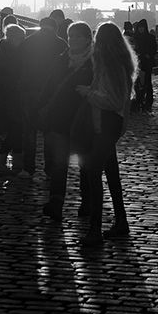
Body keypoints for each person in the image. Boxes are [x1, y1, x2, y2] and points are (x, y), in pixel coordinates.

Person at [76, 22, 137, 247]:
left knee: (93, 171)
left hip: (106, 122)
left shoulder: (109, 65)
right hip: (114, 123)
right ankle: (121, 221)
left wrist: (88, 93)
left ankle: (95, 229)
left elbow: (110, 100)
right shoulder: (122, 63)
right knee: (111, 174)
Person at [38, 22, 94, 220]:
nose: (73, 40)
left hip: (84, 119)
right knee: (59, 163)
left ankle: (87, 203)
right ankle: (56, 203)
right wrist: (41, 106)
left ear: (88, 38)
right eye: (71, 36)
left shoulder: (95, 62)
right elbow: (49, 86)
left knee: (85, 164)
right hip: (61, 119)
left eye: (78, 36)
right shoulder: (62, 59)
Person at [18, 17, 68, 177]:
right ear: (56, 27)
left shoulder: (27, 42)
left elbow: (18, 67)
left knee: (29, 131)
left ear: (40, 26)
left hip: (29, 90)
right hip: (52, 93)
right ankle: (50, 168)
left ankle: (28, 168)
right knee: (50, 131)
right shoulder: (61, 45)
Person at [0, 23, 27, 173]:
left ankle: (14, 160)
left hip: (7, 94)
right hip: (13, 95)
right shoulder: (16, 53)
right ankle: (3, 158)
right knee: (17, 127)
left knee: (16, 128)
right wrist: (15, 81)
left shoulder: (2, 52)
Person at [131, 19, 157, 111]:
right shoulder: (135, 37)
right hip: (138, 62)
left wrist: (148, 54)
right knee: (137, 83)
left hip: (147, 63)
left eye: (142, 28)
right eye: (139, 28)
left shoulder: (150, 38)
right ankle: (138, 101)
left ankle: (148, 101)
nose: (141, 29)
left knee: (147, 82)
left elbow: (154, 49)